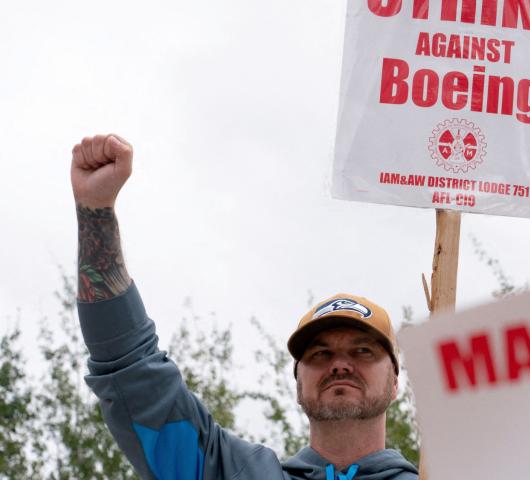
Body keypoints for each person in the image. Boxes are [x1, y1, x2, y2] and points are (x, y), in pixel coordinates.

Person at [71, 134, 419, 480]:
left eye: (362, 351)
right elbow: (133, 371)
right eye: (319, 354)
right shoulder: (232, 473)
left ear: (395, 383)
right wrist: (95, 210)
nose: (340, 365)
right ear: (298, 384)